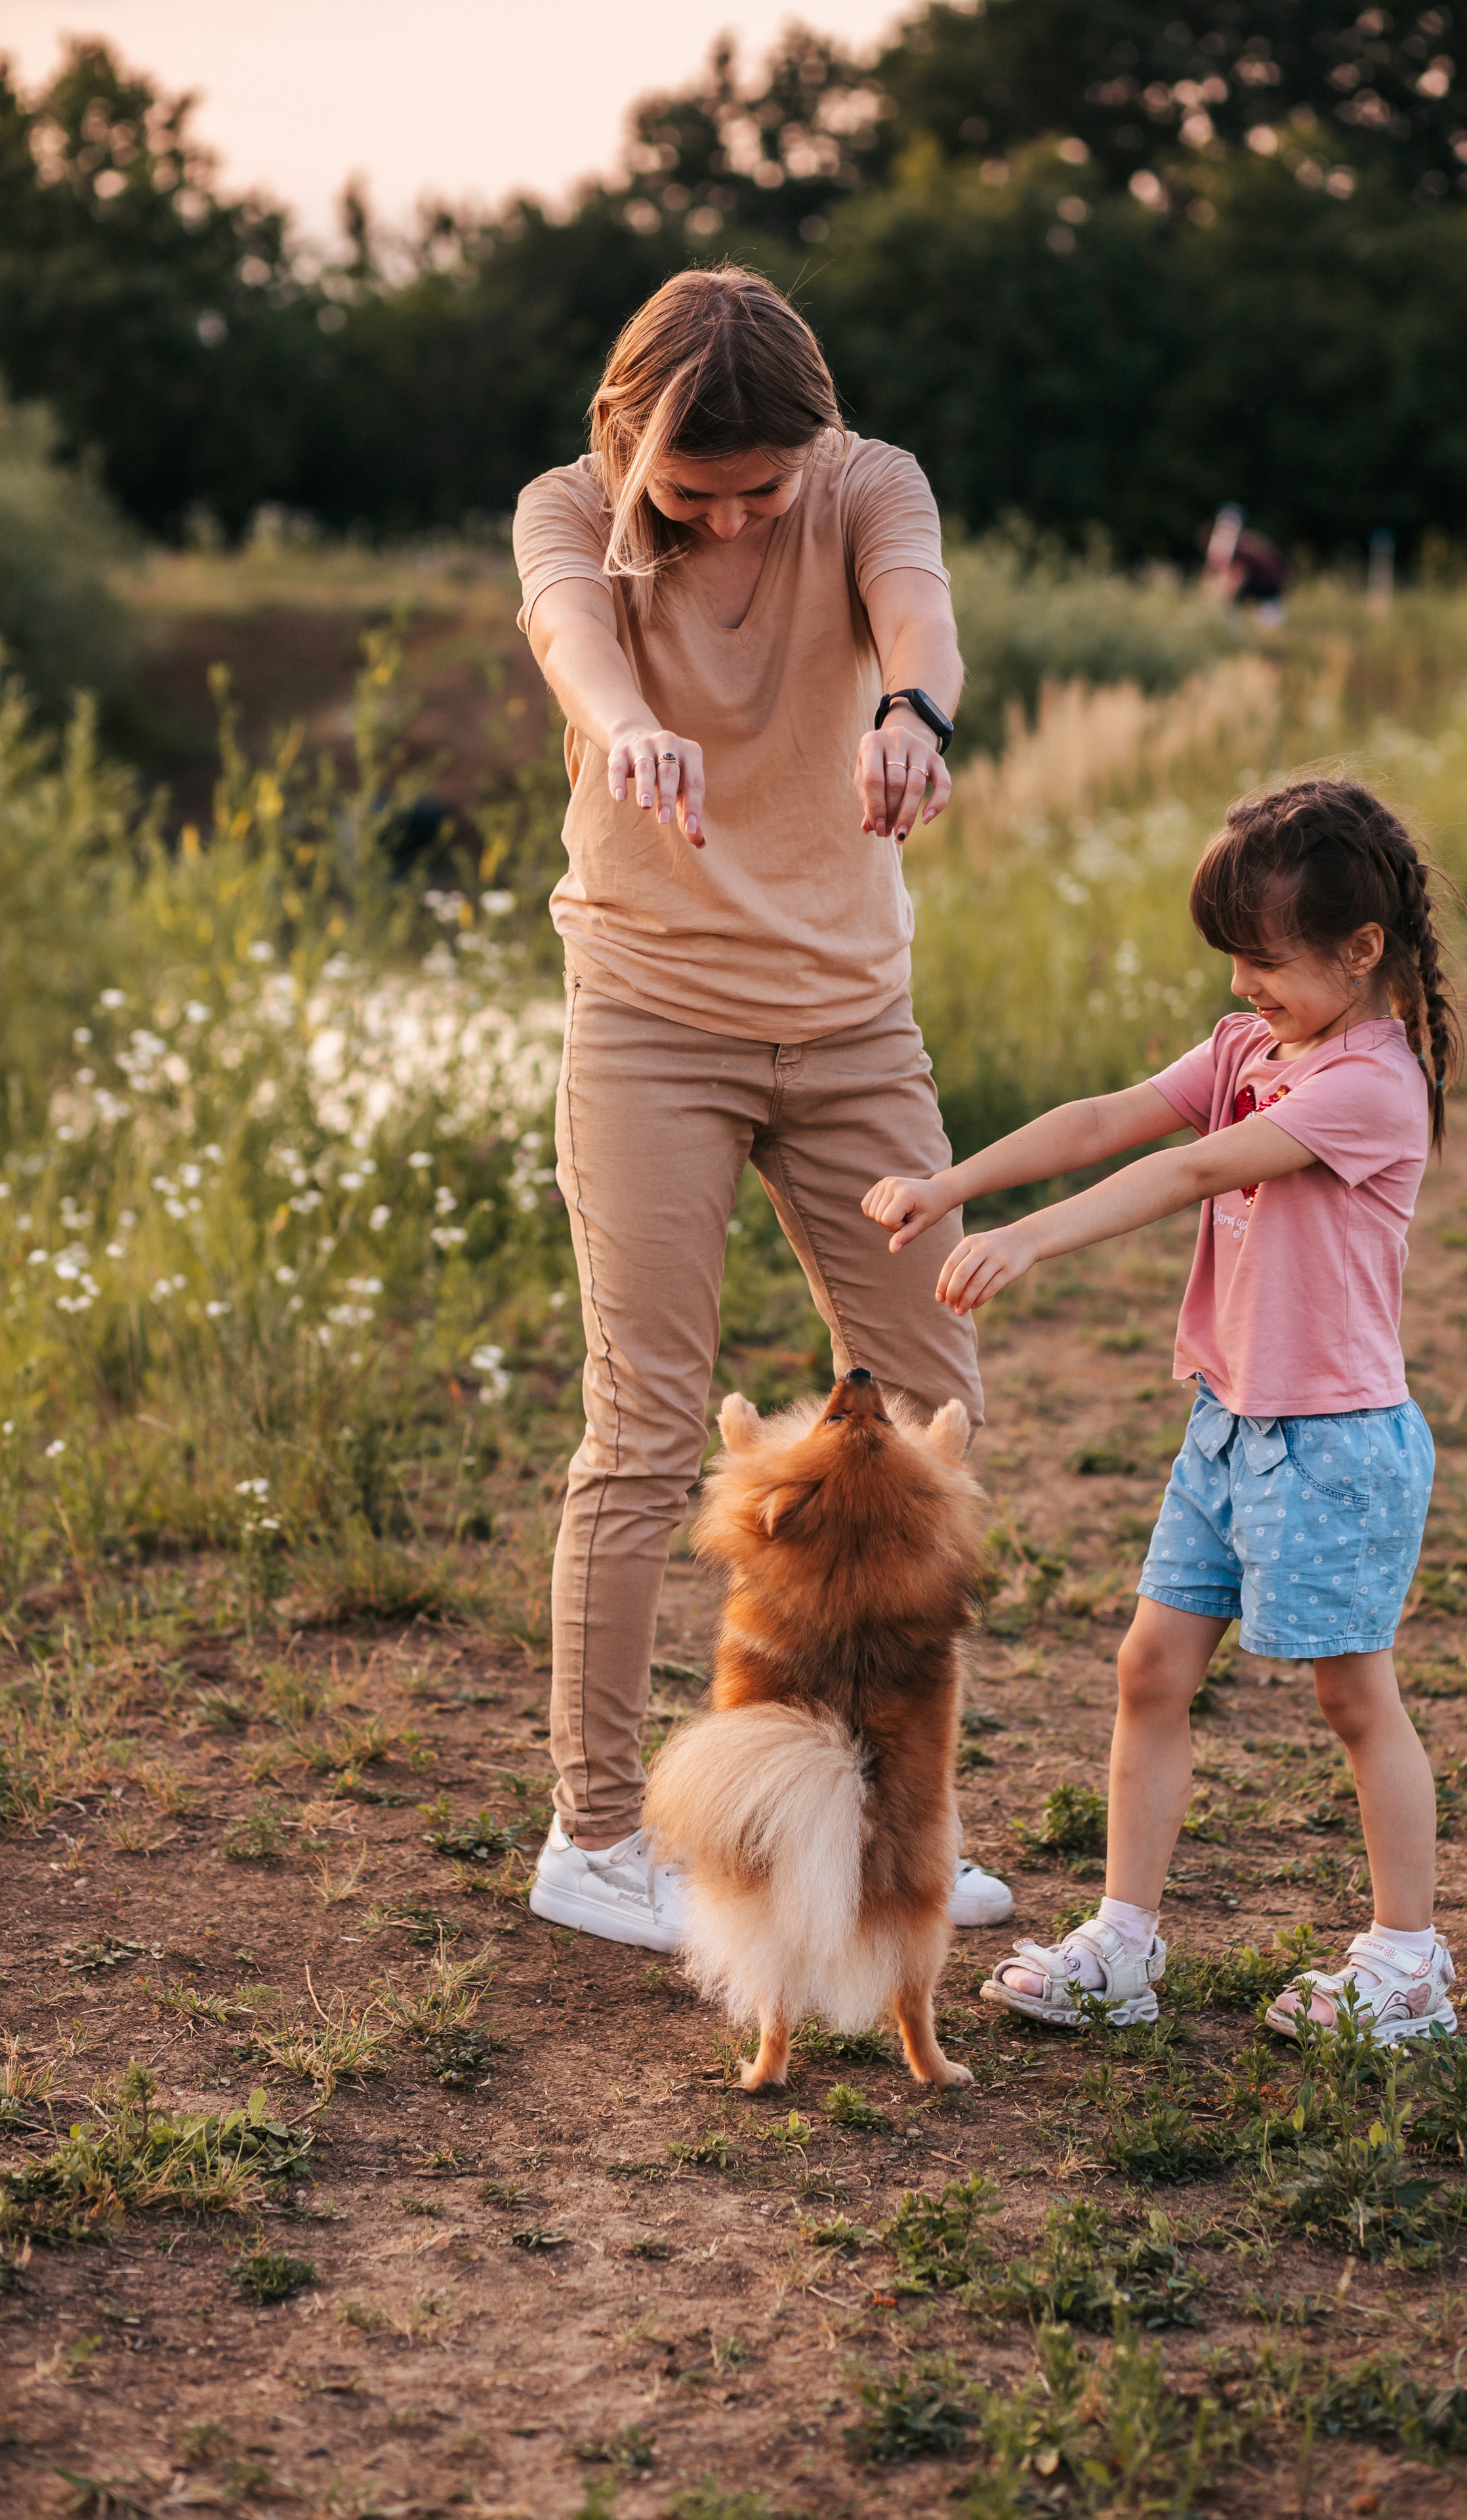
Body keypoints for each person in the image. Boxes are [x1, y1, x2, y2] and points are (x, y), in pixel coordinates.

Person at [512, 266, 1010, 1952]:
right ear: (631, 443)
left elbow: (919, 613)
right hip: (651, 1020)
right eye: (693, 493)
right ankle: (594, 1839)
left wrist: (911, 710)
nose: (728, 523)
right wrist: (631, 722)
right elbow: (576, 636)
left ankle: (887, 1824)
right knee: (646, 1429)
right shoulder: (568, 510)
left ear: (815, 441)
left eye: (759, 492)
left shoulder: (870, 484)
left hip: (852, 1029)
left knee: (933, 1415)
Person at [863, 777, 1462, 2042]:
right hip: (1230, 1426)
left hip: (1335, 1441)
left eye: (1266, 962)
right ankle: (1123, 1941)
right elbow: (1110, 1117)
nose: (1245, 987)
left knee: (1356, 1699)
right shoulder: (1255, 1044)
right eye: (1234, 962)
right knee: (1150, 1669)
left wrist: (1031, 1242)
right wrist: (951, 1184)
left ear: (1361, 952)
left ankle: (1407, 1964)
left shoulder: (1371, 1086)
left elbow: (1187, 1166)